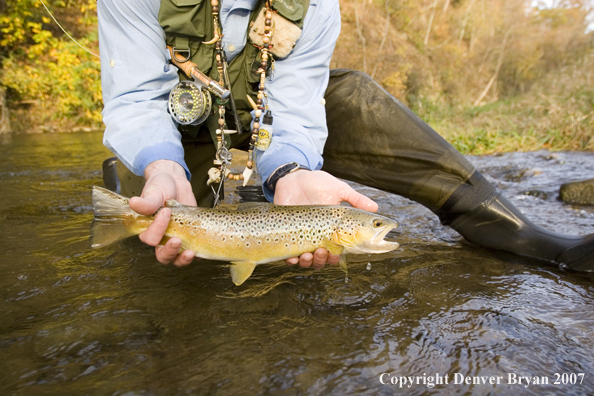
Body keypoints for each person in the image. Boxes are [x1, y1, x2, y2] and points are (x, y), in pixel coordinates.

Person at [98, 0, 593, 273]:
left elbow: (293, 108)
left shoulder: (314, 5)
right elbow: (136, 97)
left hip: (273, 119)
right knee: (156, 247)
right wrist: (161, 165)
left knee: (353, 92)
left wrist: (291, 172)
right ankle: (143, 199)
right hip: (180, 131)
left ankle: (512, 228)